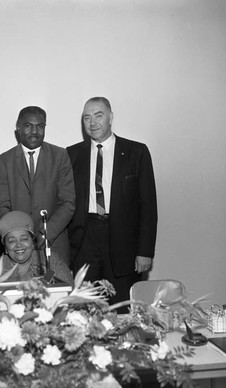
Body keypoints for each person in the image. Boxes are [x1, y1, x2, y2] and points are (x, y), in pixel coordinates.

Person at [67, 97, 157, 309]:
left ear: (111, 118)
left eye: (99, 115)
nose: (92, 122)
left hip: (123, 242)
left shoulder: (136, 152)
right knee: (85, 308)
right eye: (87, 118)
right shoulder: (72, 154)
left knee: (123, 308)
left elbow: (148, 206)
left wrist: (145, 251)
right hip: (85, 240)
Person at [0, 106, 75, 265]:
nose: (34, 131)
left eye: (40, 126)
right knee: (22, 290)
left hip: (53, 245)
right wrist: (20, 236)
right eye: (28, 126)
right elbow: (0, 206)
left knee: (52, 288)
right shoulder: (5, 160)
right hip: (18, 250)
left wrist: (44, 234)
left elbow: (68, 203)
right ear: (18, 128)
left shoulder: (60, 156)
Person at [0, 211, 73, 285]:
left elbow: (70, 293)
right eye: (12, 241)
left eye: (24, 239)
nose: (18, 244)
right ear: (6, 248)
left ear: (32, 243)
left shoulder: (51, 262)